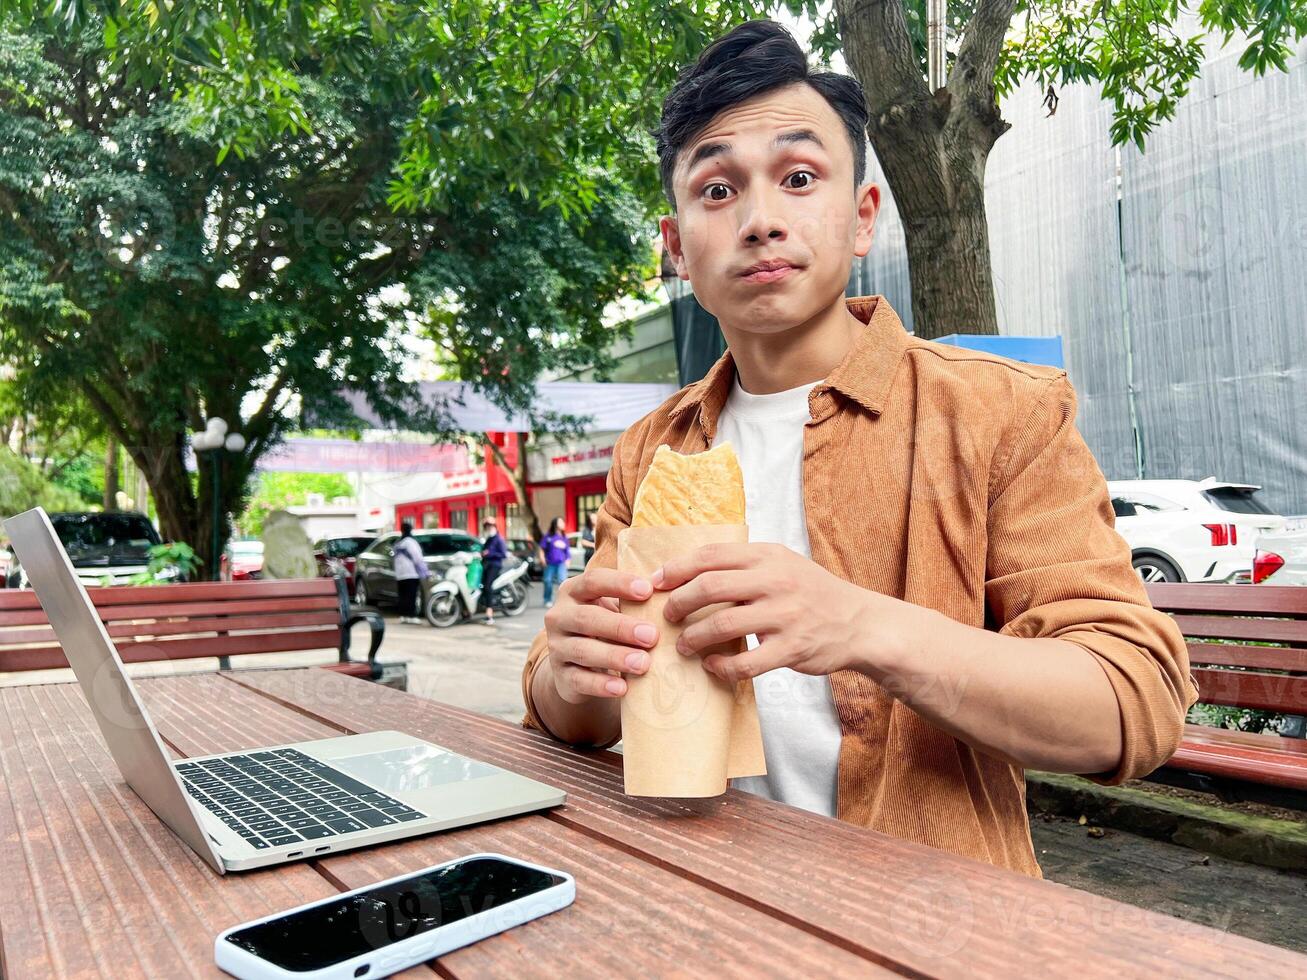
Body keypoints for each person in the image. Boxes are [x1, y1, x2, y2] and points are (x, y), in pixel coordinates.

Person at [519, 20, 1198, 878]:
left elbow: (1130, 703)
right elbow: (568, 713)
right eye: (718, 191)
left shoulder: (998, 411)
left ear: (861, 217)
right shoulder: (653, 449)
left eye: (799, 178)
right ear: (676, 248)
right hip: (694, 891)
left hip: (922, 918)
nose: (761, 221)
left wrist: (862, 625)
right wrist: (568, 680)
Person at [392, 521, 428, 625]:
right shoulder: (411, 542)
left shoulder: (398, 543)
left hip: (400, 574)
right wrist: (424, 570)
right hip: (410, 573)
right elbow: (418, 557)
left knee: (402, 596)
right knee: (411, 595)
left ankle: (403, 616)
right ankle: (411, 616)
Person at [477, 518, 508, 624]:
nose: (489, 528)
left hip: (495, 565)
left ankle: (489, 614)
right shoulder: (489, 539)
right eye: (487, 526)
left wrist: (489, 554)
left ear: (494, 526)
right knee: (480, 585)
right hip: (485, 565)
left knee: (487, 585)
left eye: (490, 526)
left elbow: (503, 554)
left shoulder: (499, 539)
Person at [537, 518, 570, 608]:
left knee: (562, 581)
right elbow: (541, 549)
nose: (563, 524)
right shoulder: (548, 536)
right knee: (547, 581)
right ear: (555, 524)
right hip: (550, 563)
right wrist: (542, 558)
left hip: (561, 563)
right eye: (561, 522)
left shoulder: (564, 537)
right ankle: (547, 599)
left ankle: (563, 600)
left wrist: (568, 560)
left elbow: (567, 551)